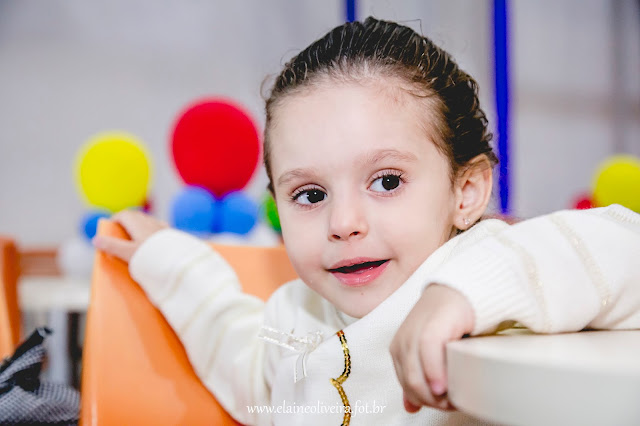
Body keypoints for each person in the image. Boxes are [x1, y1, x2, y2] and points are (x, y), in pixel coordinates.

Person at [93, 17, 640, 425]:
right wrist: (174, 263)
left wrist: (466, 294)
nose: (344, 222)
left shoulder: (492, 278)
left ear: (466, 191)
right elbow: (246, 365)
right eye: (310, 194)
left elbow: (622, 245)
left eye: (387, 182)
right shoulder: (295, 316)